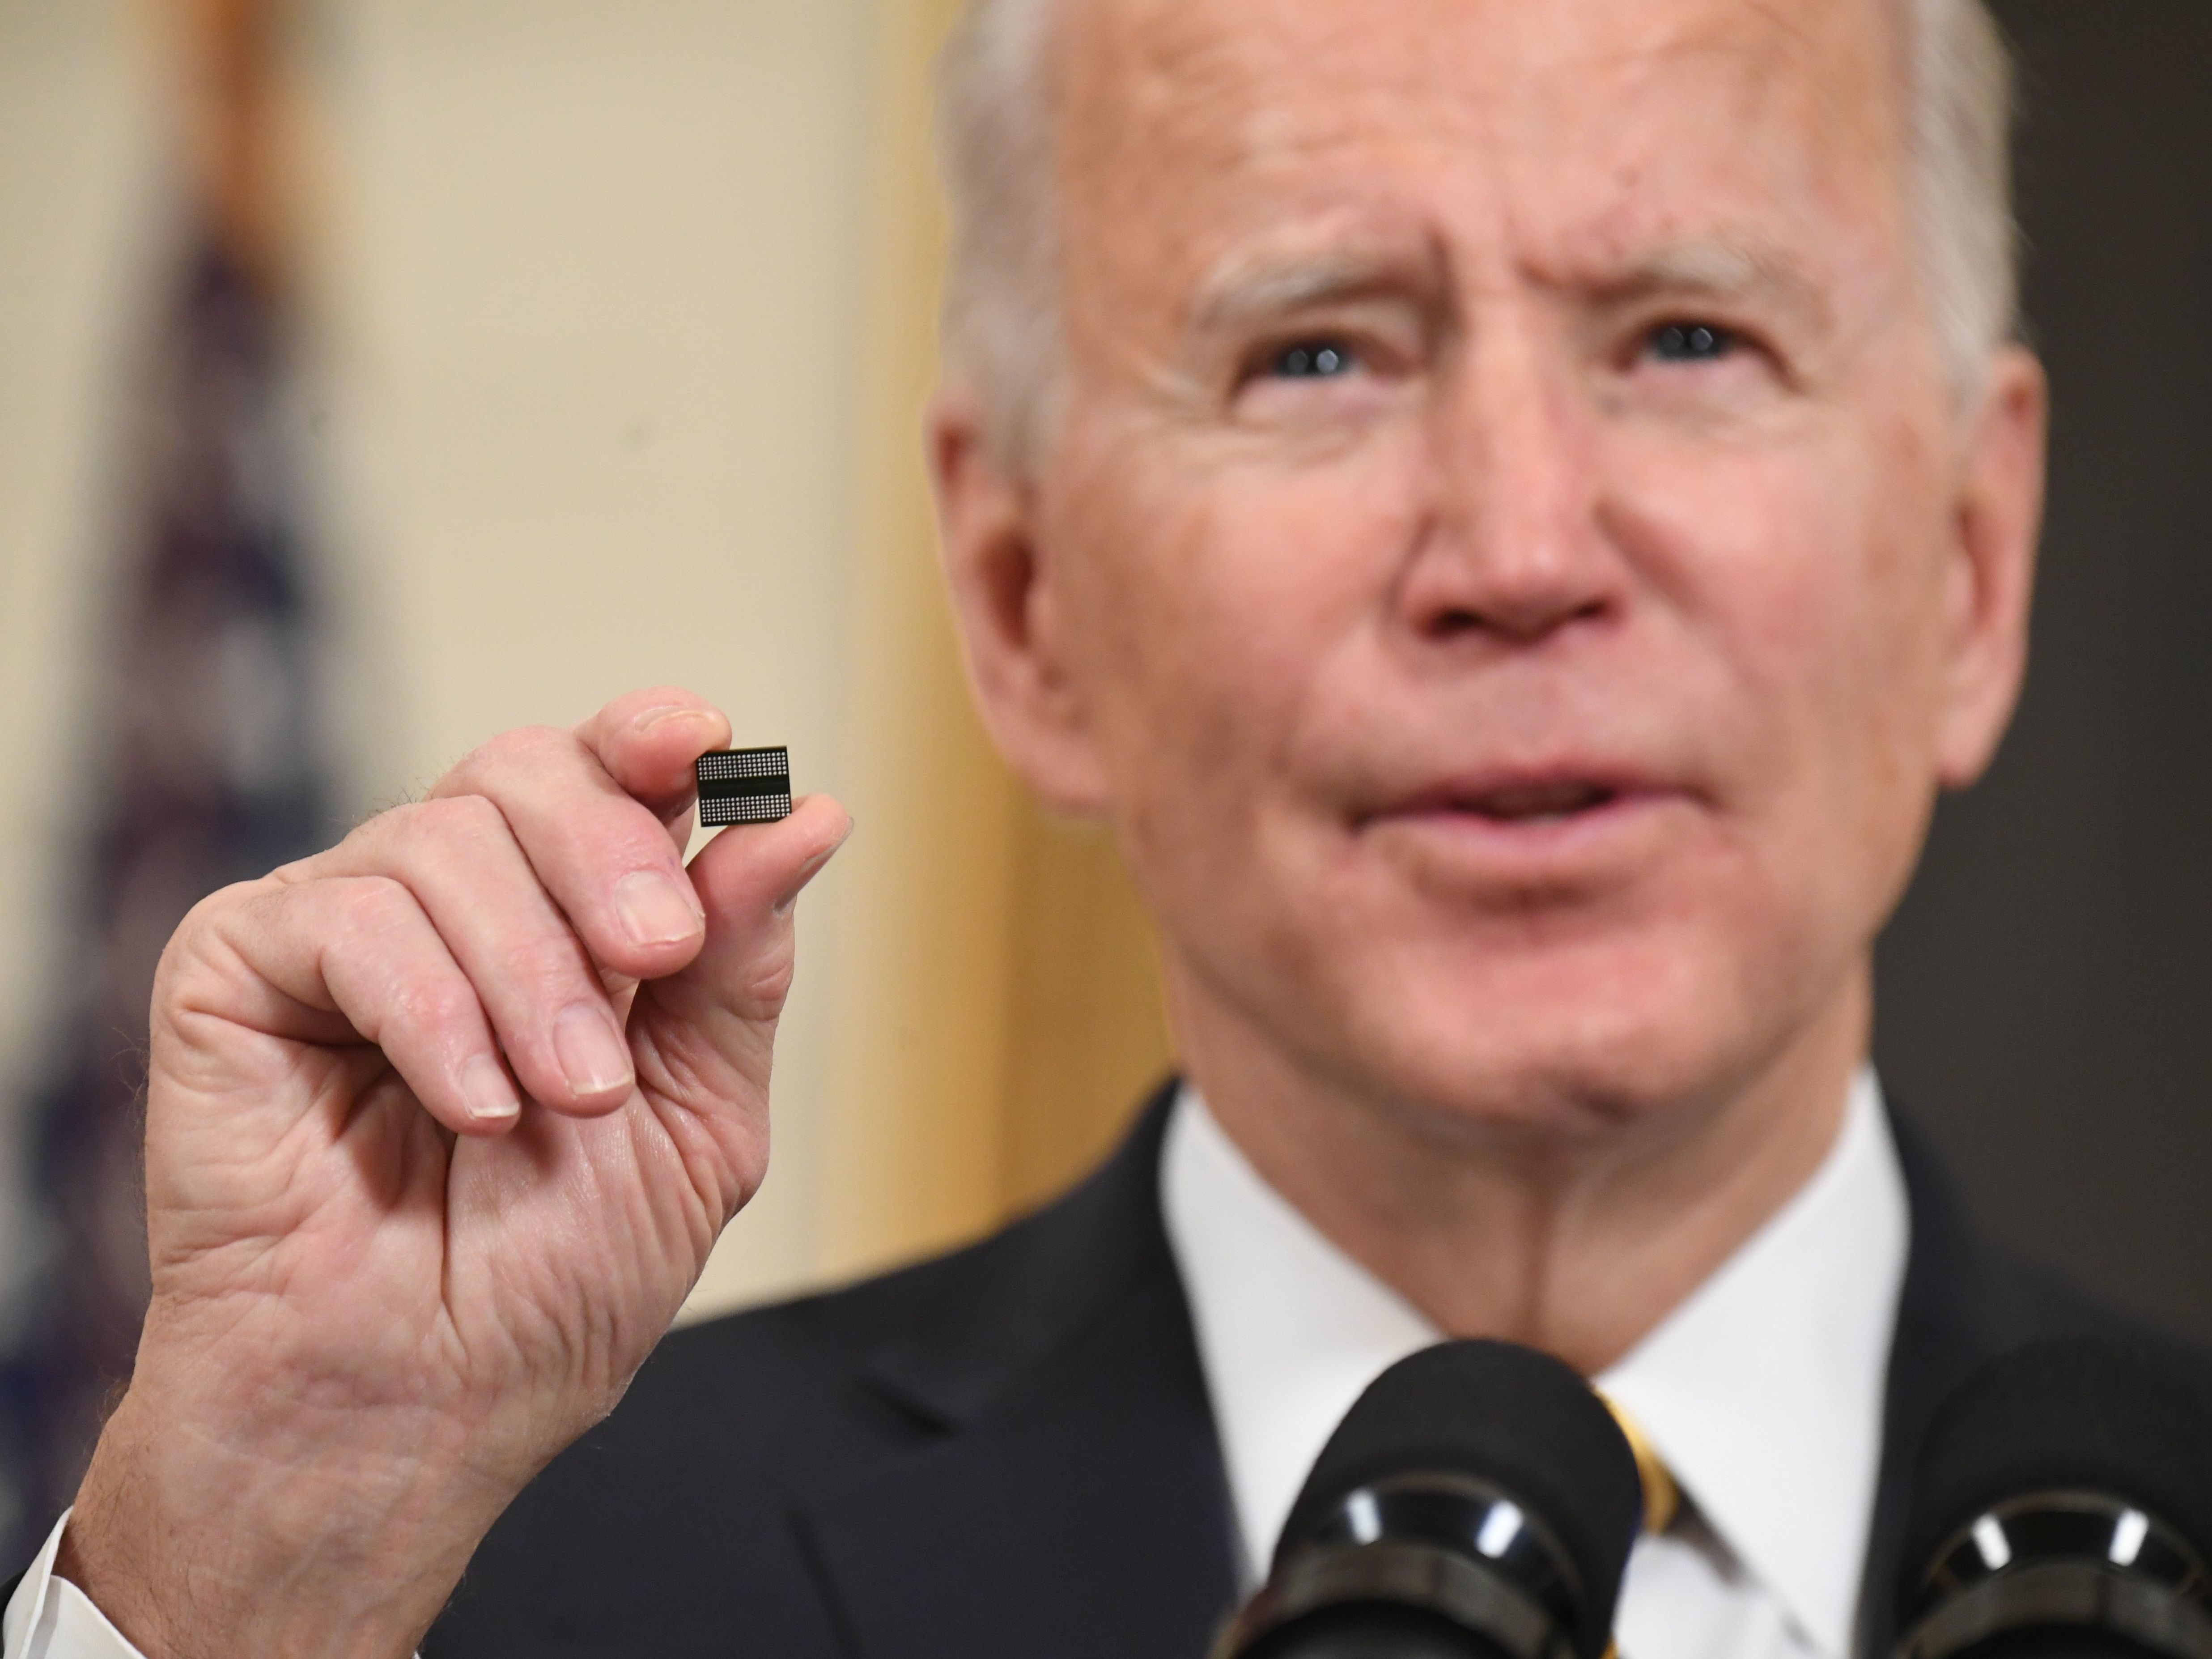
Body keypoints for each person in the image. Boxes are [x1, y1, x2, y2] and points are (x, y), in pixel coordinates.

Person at [0, 0, 2167, 1655]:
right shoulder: (481, 1587)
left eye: (1689, 336)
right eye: (1316, 357)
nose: (1519, 546)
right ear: (1026, 605)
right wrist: (261, 1571)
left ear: (1970, 566)